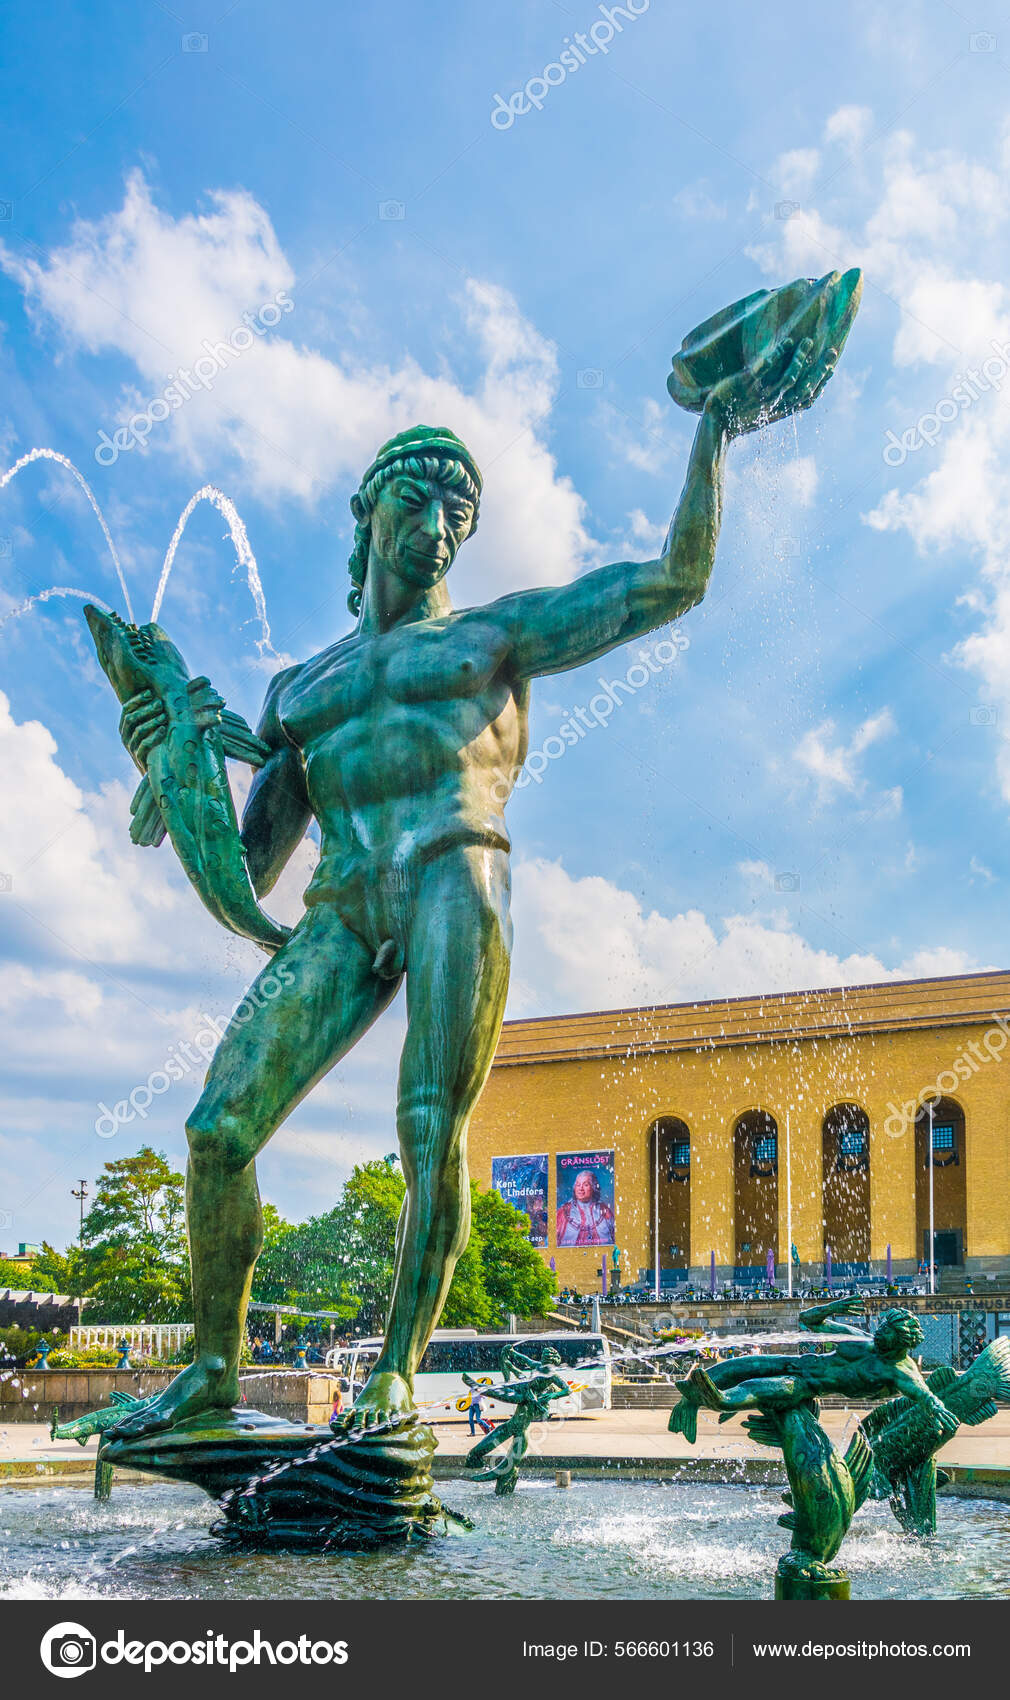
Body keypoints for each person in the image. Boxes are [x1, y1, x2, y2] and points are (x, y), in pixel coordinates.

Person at [110, 337, 838, 1442]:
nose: (440, 525)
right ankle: (211, 1364)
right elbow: (249, 869)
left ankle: (396, 1373)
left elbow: (668, 581)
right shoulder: (297, 688)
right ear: (368, 516)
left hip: (458, 867)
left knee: (426, 1125)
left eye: (459, 508)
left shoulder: (494, 635)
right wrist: (168, 761)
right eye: (419, 498)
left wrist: (712, 431)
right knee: (217, 1127)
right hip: (345, 902)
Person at [556, 1169, 616, 1248]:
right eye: (578, 1185)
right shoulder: (563, 1212)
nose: (580, 1188)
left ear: (593, 1188)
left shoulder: (604, 1211)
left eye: (585, 1185)